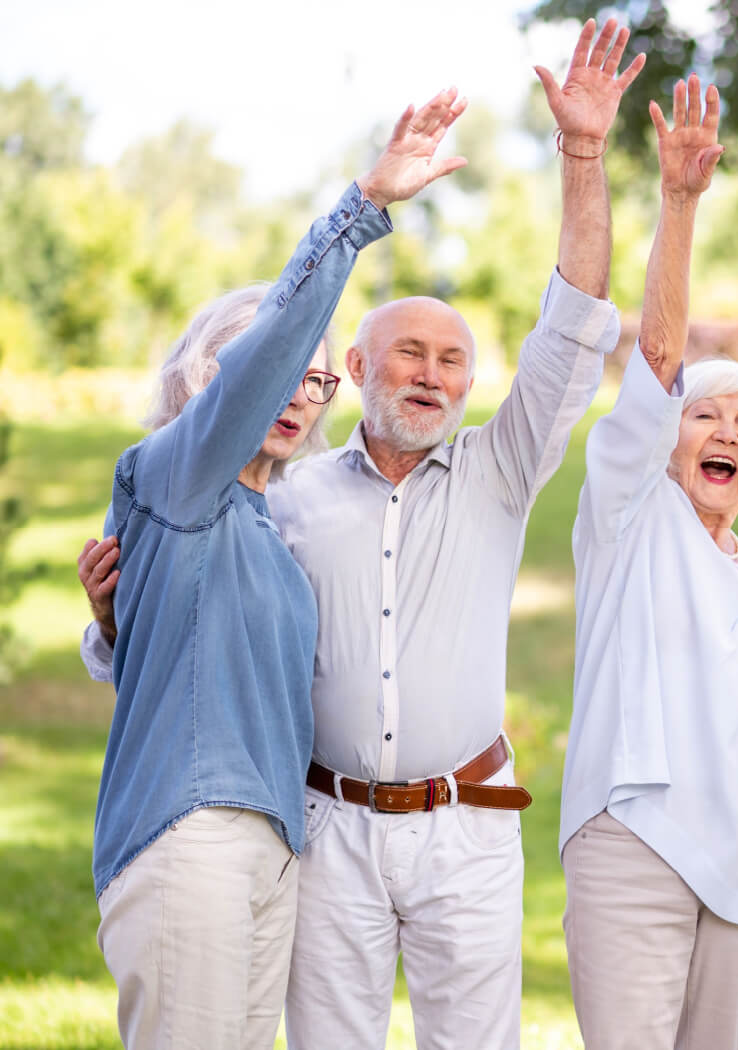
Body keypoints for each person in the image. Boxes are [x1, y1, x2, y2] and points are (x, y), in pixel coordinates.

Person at [79, 18, 641, 1048]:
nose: (430, 374)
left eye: (452, 360)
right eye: (405, 354)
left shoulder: (498, 471)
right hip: (322, 828)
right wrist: (114, 621)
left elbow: (572, 321)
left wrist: (585, 157)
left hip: (462, 822)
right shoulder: (274, 497)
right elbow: (190, 635)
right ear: (361, 373)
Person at [85, 89, 465, 1050]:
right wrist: (360, 211)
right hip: (191, 838)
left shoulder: (261, 519)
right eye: (269, 367)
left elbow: (190, 650)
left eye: (313, 378)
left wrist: (117, 626)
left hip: (272, 848)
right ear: (201, 377)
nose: (296, 390)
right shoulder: (176, 468)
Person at [558, 74, 738, 1050]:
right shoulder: (630, 517)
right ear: (666, 438)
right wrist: (680, 202)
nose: (724, 430)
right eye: (703, 414)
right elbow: (660, 352)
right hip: (635, 842)